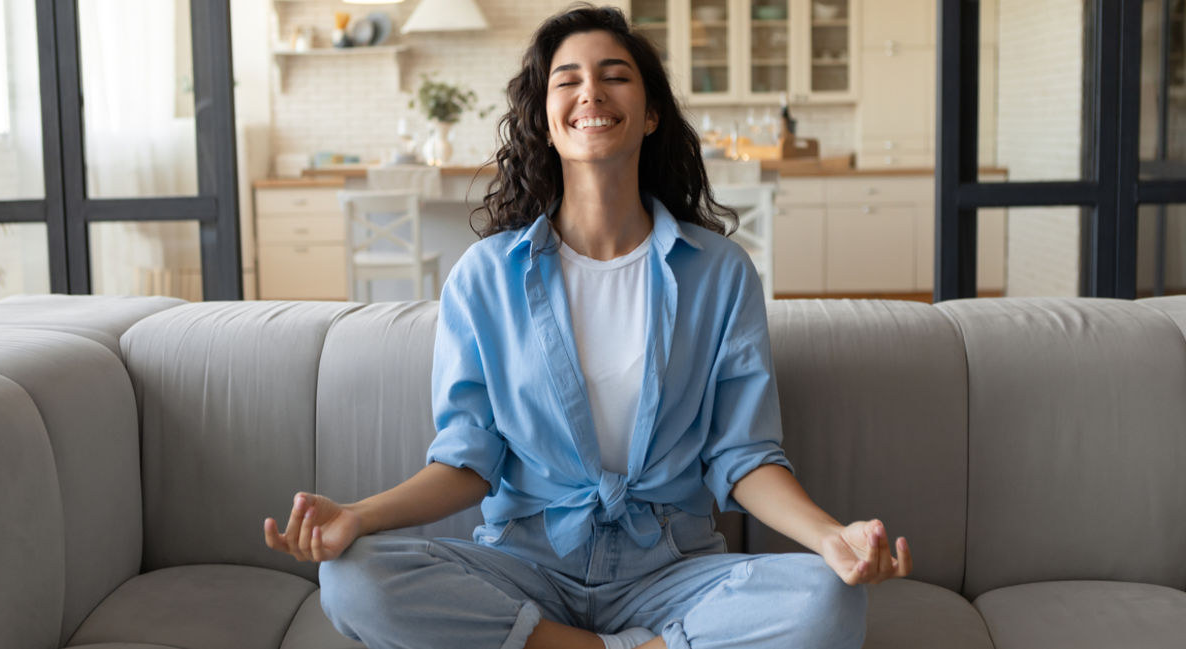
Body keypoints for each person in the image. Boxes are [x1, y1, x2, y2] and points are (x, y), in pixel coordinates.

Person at [264, 5, 912, 649]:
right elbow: (467, 457)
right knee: (351, 576)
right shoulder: (485, 276)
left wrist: (832, 536)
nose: (590, 92)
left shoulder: (720, 272)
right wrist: (356, 515)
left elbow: (743, 456)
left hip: (672, 568)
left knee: (828, 596)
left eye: (615, 75)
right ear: (546, 119)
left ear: (652, 112)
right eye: (566, 79)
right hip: (525, 565)